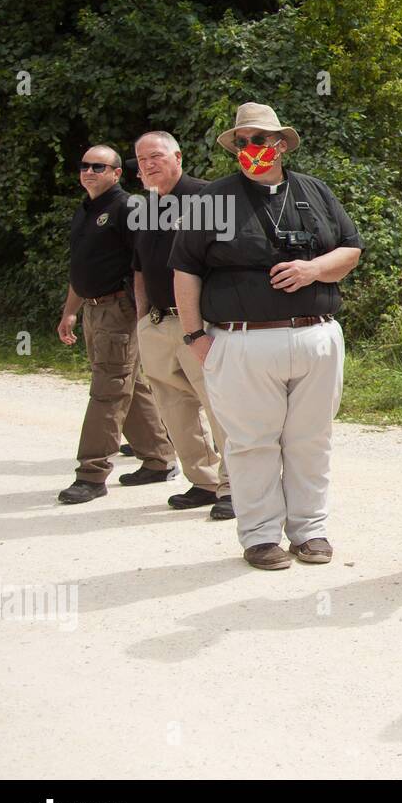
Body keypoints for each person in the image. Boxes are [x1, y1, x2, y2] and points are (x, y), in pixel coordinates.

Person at [169, 103, 362, 570]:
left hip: (314, 336)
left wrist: (313, 268)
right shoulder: (210, 201)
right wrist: (194, 335)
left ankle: (309, 530)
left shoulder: (314, 191)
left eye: (259, 139)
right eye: (242, 140)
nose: (250, 148)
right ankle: (259, 536)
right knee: (251, 441)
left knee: (311, 439)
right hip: (240, 341)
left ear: (280, 144)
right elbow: (186, 271)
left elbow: (351, 249)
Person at [56, 144, 176, 504]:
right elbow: (82, 268)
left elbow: (148, 263)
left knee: (108, 389)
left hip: (120, 309)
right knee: (128, 384)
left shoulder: (128, 208)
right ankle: (158, 459)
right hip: (94, 310)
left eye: (98, 166)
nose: (89, 172)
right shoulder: (86, 210)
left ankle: (91, 474)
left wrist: (146, 314)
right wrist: (70, 311)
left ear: (115, 173)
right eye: (84, 165)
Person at [131, 131, 234, 521]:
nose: (148, 164)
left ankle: (235, 486)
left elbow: (225, 262)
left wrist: (207, 322)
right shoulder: (146, 207)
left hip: (198, 323)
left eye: (155, 156)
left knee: (219, 405)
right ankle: (204, 481)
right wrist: (143, 317)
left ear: (177, 156)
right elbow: (139, 267)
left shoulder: (207, 197)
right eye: (141, 160)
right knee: (175, 408)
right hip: (156, 323)